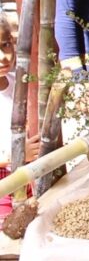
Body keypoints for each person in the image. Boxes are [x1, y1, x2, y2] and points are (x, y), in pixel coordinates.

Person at [0, 12, 40, 219]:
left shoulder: (21, 84)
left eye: (5, 45)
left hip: (32, 177)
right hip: (4, 188)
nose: (3, 56)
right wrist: (16, 155)